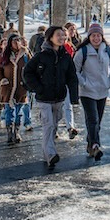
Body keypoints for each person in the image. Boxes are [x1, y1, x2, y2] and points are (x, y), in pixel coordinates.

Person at [23, 26, 79, 169]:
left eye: (63, 35)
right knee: (48, 125)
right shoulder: (41, 55)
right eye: (58, 35)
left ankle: (48, 151)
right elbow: (27, 72)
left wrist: (73, 97)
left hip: (59, 97)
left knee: (53, 125)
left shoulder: (66, 56)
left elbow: (72, 77)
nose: (62, 38)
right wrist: (37, 88)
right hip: (44, 98)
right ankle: (50, 154)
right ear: (50, 37)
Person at [74, 22, 110, 162]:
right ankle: (96, 145)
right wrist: (83, 83)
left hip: (102, 91)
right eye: (93, 35)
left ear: (102, 36)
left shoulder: (108, 51)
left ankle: (90, 145)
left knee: (97, 121)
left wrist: (109, 82)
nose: (96, 38)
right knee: (92, 119)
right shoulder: (83, 51)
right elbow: (74, 70)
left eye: (98, 35)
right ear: (89, 36)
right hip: (87, 91)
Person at [0, 34, 30, 145]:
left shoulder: (25, 54)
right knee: (9, 111)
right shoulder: (4, 56)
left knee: (19, 111)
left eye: (18, 40)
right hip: (8, 87)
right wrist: (1, 80)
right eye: (14, 40)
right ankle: (9, 132)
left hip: (21, 88)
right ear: (10, 42)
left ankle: (17, 131)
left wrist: (30, 82)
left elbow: (32, 68)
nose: (16, 42)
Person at [62, 22, 83, 137]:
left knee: (67, 104)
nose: (72, 32)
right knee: (56, 106)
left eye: (74, 29)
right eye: (70, 29)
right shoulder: (54, 46)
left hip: (69, 78)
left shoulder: (74, 44)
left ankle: (70, 127)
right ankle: (53, 128)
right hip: (56, 79)